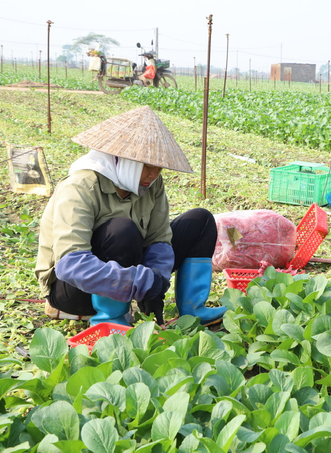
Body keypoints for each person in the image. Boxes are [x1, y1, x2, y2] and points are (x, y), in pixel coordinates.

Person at [35, 105, 227, 327]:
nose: (153, 175)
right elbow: (71, 265)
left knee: (200, 221)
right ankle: (114, 320)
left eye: (159, 168)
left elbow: (159, 240)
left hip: (128, 267)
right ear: (123, 158)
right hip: (73, 289)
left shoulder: (151, 183)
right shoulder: (81, 186)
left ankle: (193, 311)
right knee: (121, 230)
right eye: (147, 166)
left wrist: (156, 280)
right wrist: (140, 281)